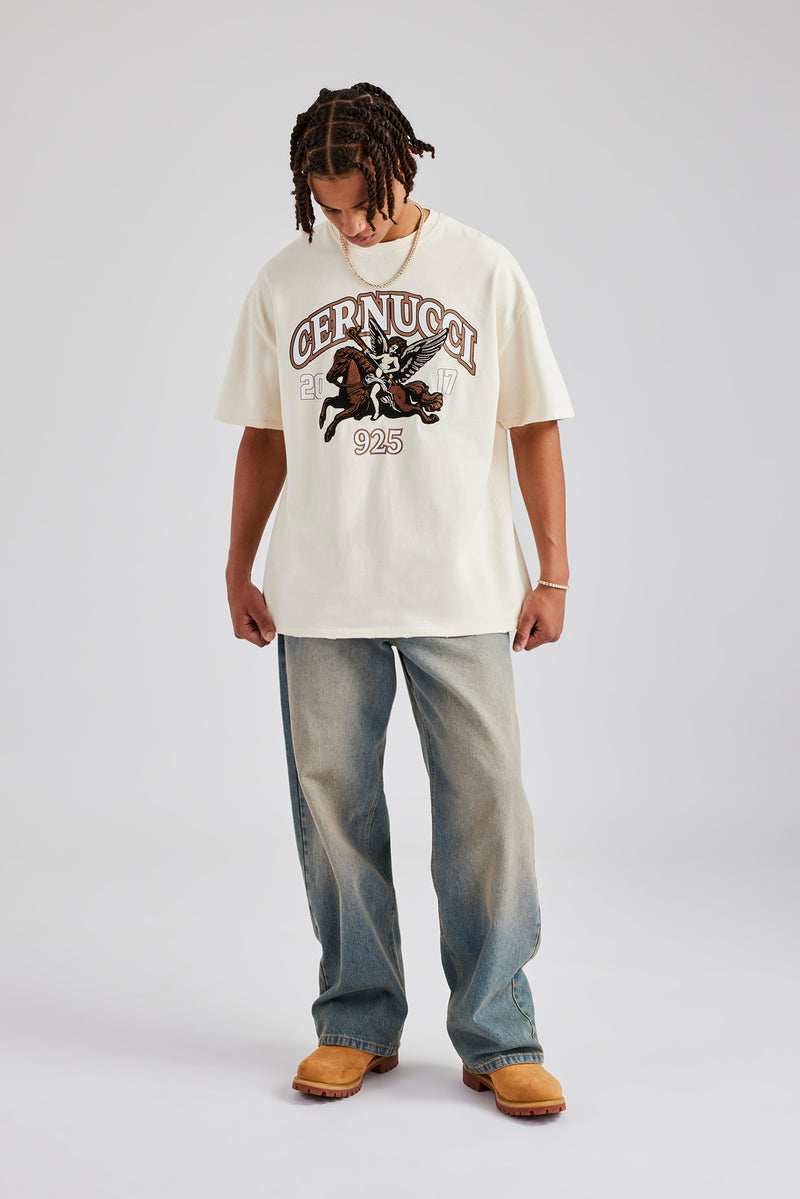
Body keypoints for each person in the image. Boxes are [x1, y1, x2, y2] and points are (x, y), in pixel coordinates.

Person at [214, 82, 574, 1118]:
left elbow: (534, 423)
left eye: (364, 203)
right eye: (329, 208)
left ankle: (498, 1032)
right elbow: (266, 435)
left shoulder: (484, 267)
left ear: (400, 166)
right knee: (334, 811)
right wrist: (237, 564)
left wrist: (552, 570)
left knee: (486, 807)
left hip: (461, 586)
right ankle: (356, 1020)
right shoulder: (285, 280)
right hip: (322, 593)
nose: (352, 227)